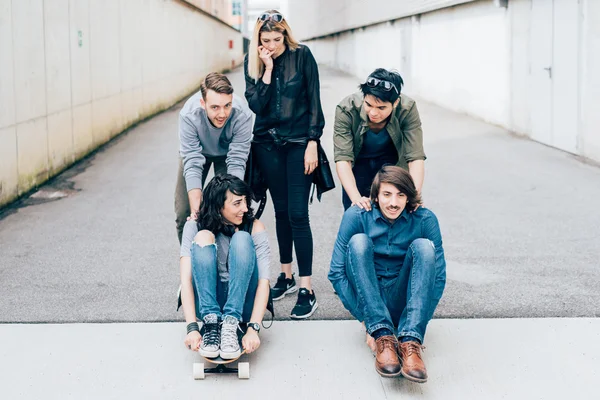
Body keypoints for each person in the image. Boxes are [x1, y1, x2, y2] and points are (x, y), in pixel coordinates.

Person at [328, 166, 446, 382]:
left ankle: (410, 342)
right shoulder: (357, 215)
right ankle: (383, 336)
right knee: (359, 241)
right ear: (375, 195)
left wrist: (416, 324)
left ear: (409, 197)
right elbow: (336, 273)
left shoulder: (424, 219)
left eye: (401, 195)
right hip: (369, 297)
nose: (394, 202)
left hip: (404, 299)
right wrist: (367, 321)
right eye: (387, 194)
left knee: (424, 247)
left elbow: (437, 279)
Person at [244, 10, 325, 319]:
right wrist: (266, 68)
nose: (273, 45)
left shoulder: (302, 56)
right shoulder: (252, 60)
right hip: (266, 145)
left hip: (298, 144)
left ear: (285, 35)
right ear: (258, 40)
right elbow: (256, 105)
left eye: (277, 39)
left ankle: (307, 288)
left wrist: (312, 142)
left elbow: (314, 101)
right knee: (280, 213)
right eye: (266, 41)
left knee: (298, 214)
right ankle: (286, 275)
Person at [179, 174, 270, 359]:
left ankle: (231, 322)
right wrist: (192, 328)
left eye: (245, 201)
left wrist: (253, 328)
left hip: (243, 302)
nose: (244, 208)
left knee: (242, 238)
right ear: (218, 206)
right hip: (206, 303)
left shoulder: (255, 227)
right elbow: (186, 280)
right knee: (203, 236)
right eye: (237, 203)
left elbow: (264, 282)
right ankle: (212, 323)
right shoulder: (194, 226)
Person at [174, 72, 253, 244]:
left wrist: (233, 200)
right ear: (203, 103)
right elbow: (192, 161)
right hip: (197, 153)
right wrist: (196, 210)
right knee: (185, 213)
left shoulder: (242, 114)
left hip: (227, 156)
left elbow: (237, 159)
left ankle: (227, 261)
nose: (222, 114)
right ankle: (193, 262)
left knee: (229, 209)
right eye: (215, 107)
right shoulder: (189, 114)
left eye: (227, 105)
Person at [333, 68, 426, 211]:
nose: (374, 113)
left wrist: (413, 197)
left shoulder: (407, 108)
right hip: (358, 163)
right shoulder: (347, 108)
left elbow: (415, 157)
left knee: (393, 213)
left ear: (395, 103)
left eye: (381, 108)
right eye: (368, 105)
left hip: (391, 163)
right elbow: (343, 159)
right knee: (357, 213)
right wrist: (356, 199)